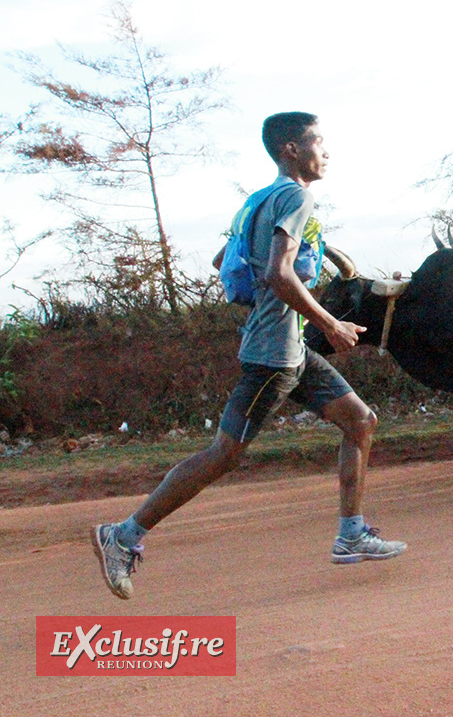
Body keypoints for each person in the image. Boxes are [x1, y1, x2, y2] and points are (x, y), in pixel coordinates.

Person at [91, 112, 407, 601]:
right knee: (224, 455)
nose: (327, 152)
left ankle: (351, 534)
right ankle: (123, 535)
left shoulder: (257, 201)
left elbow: (224, 264)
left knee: (360, 421)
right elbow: (280, 275)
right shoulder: (297, 196)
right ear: (291, 150)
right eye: (318, 142)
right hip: (272, 357)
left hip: (290, 350)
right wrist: (331, 322)